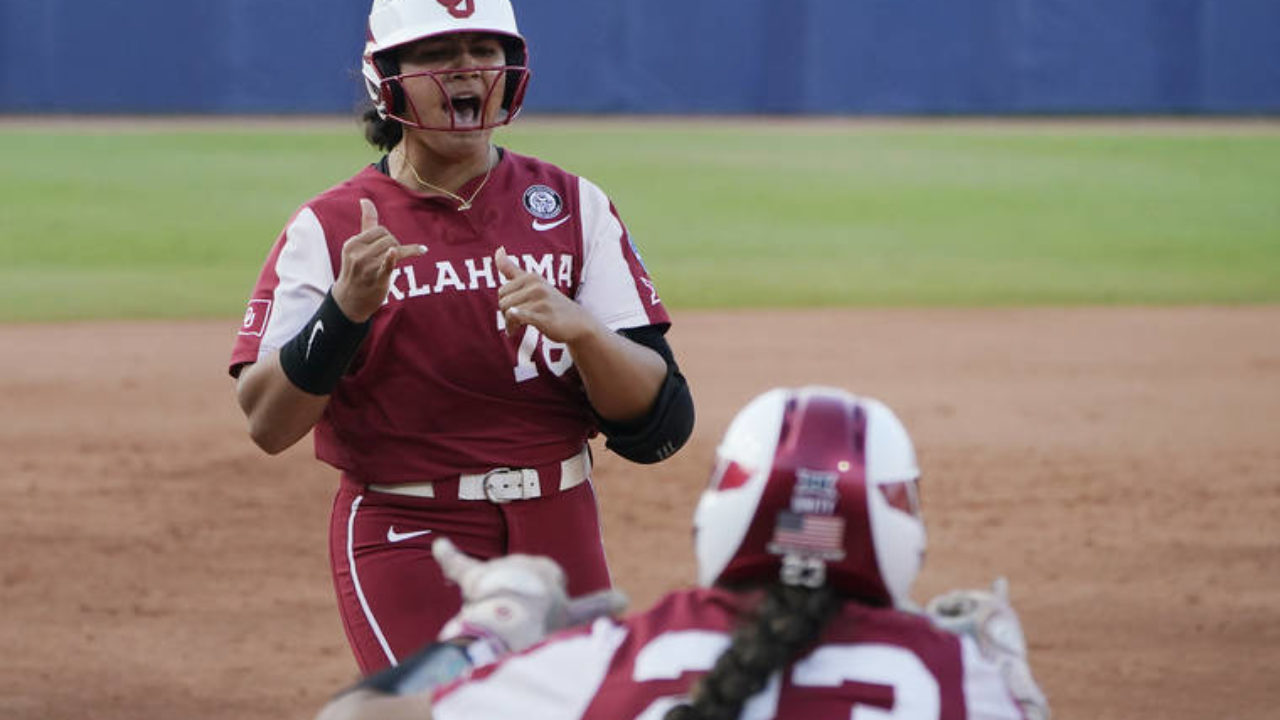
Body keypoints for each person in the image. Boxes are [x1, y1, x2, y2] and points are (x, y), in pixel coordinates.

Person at [228, 0, 694, 675]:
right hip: (409, 533)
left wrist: (586, 335)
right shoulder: (329, 228)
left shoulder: (572, 203)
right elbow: (268, 423)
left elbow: (661, 422)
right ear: (386, 78)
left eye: (483, 48)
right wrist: (344, 311)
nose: (466, 70)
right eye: (437, 53)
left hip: (560, 518)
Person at [315, 386, 1051, 720]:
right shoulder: (958, 678)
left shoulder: (610, 658)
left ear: (724, 510)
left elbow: (354, 718)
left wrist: (489, 632)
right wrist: (1013, 686)